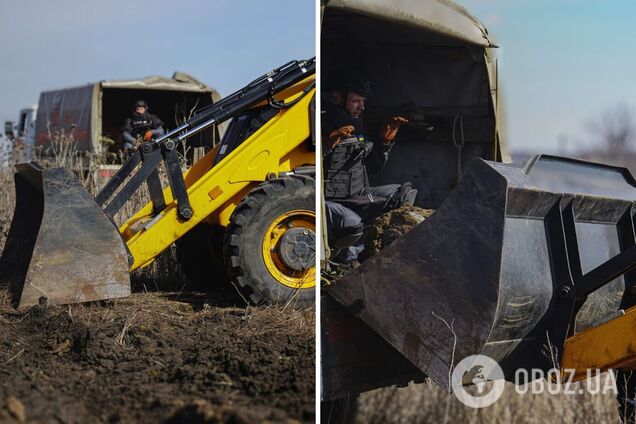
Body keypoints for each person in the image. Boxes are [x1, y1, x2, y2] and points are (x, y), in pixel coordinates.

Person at [323, 69, 416, 263]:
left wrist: (384, 143)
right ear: (338, 98)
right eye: (356, 101)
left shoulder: (358, 128)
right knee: (351, 223)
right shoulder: (321, 124)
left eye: (363, 102)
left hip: (358, 195)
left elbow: (373, 167)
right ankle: (347, 262)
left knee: (401, 193)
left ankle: (377, 249)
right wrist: (327, 146)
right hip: (329, 202)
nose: (361, 107)